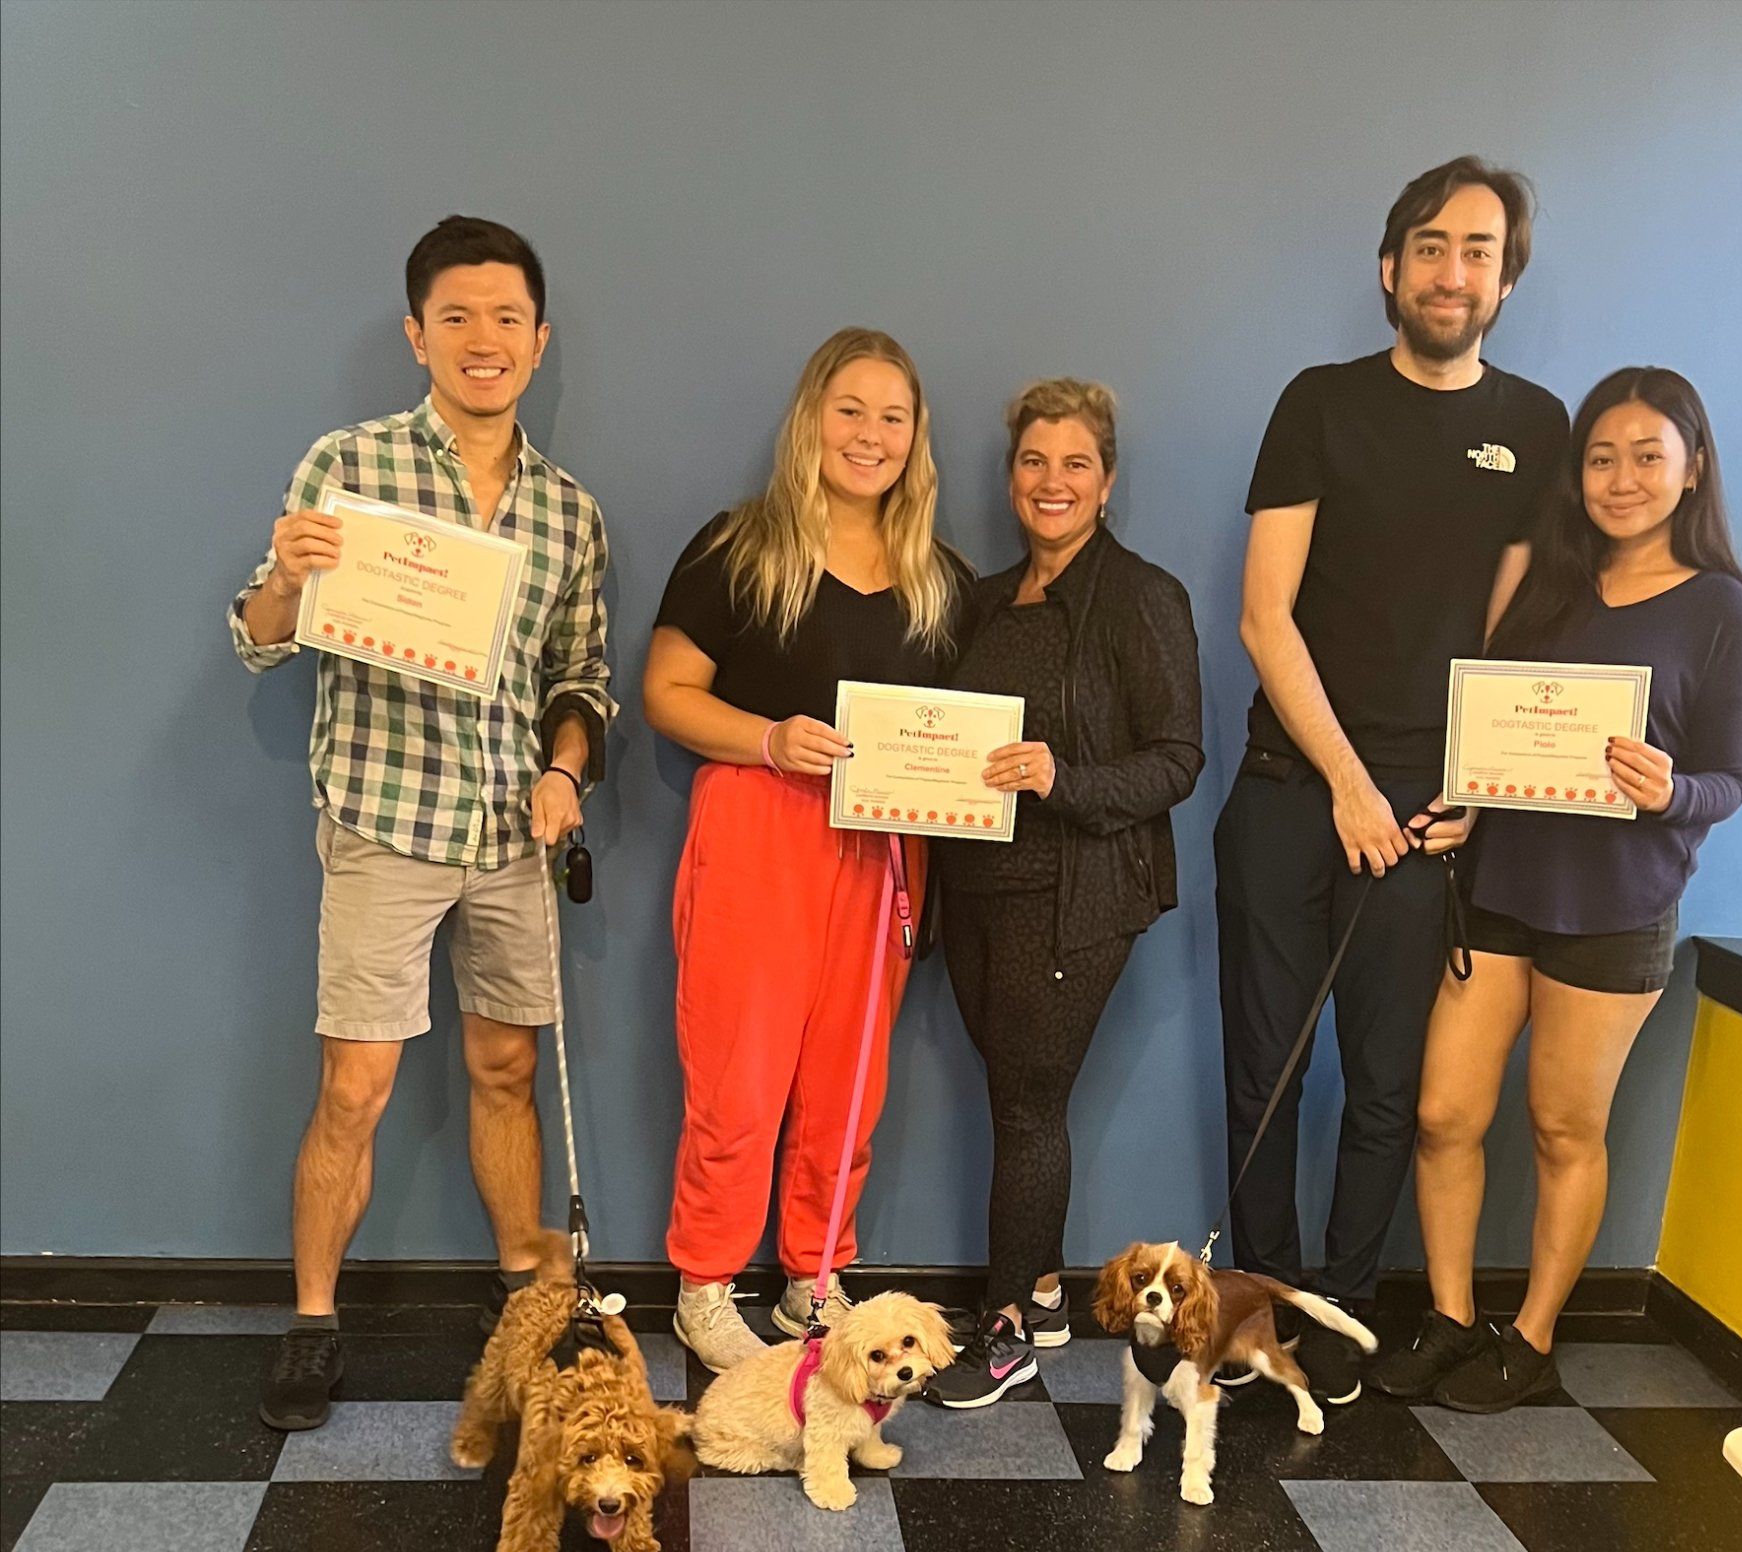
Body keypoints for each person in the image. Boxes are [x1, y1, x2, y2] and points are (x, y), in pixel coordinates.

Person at [230, 217, 615, 1430]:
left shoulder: (568, 512)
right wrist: (288, 577)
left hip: (511, 833)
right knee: (356, 1084)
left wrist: (567, 772)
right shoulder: (346, 468)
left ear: (539, 343)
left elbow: (581, 677)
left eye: (507, 319)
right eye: (456, 318)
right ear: (417, 335)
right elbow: (256, 637)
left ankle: (524, 1302)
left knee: (505, 1068)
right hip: (386, 819)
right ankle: (311, 1323)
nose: (482, 340)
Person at [1216, 156, 1569, 1404]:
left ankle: (1346, 1314)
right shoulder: (1318, 402)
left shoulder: (1535, 427)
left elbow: (1514, 638)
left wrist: (1473, 786)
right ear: (1389, 267)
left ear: (1507, 281)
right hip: (1288, 789)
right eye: (1429, 246)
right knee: (1266, 1069)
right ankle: (1258, 1308)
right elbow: (1267, 618)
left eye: (1478, 250)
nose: (1451, 269)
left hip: (1430, 820)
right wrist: (1348, 788)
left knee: (1386, 1085)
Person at [1373, 368, 1742, 1411]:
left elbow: (1730, 779)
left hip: (1619, 913)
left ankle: (1534, 1334)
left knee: (1561, 1129)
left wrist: (1672, 789)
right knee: (1446, 1113)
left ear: (1692, 471)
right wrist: (1468, 807)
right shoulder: (1547, 586)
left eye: (1647, 456)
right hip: (1500, 893)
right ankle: (1453, 1317)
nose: (1622, 478)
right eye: (1601, 457)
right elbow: (1499, 742)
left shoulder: (1725, 610)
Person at [642, 327, 964, 1372]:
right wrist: (774, 739)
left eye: (893, 418)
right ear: (810, 419)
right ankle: (704, 1281)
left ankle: (813, 1273)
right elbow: (665, 694)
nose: (870, 436)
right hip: (758, 829)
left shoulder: (937, 578)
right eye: (851, 410)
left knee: (849, 1080)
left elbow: (959, 733)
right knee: (738, 1077)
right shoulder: (739, 547)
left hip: (883, 853)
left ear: (917, 441)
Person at [923, 381, 1203, 1410]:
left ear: (1108, 479)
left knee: (1030, 1105)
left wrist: (1062, 779)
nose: (1052, 482)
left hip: (1077, 898)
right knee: (1013, 1099)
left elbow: (1179, 759)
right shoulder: (982, 599)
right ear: (1010, 480)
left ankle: (1004, 1335)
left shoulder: (1141, 597)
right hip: (979, 892)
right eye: (1034, 462)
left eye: (1075, 463)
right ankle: (1041, 1290)